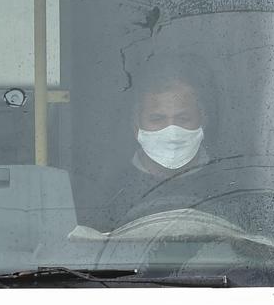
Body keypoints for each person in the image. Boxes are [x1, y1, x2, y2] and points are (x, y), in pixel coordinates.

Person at [85, 57, 215, 230]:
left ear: (203, 121)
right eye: (157, 119)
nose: (172, 131)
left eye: (183, 119)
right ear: (136, 126)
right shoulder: (110, 193)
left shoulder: (227, 184)